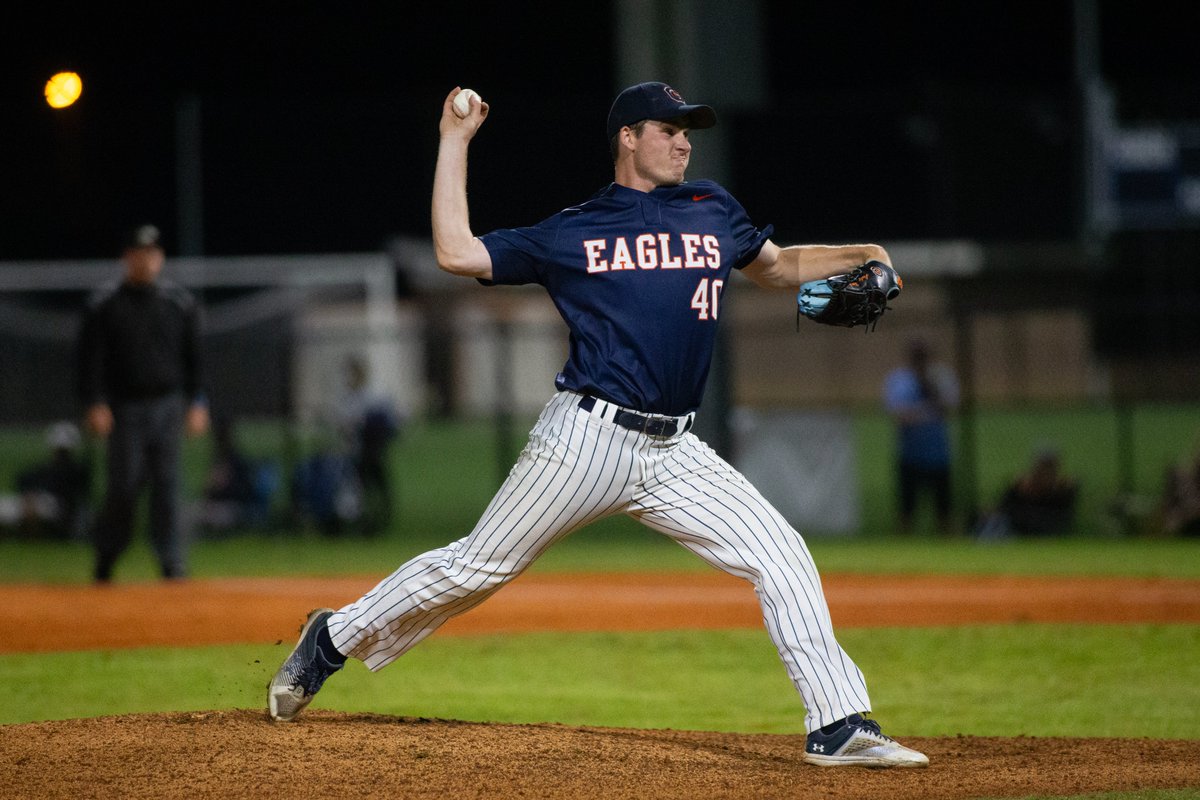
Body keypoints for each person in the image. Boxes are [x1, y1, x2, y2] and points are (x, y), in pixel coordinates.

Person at [268, 82, 928, 768]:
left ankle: (837, 723)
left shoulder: (712, 208)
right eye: (668, 129)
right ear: (628, 138)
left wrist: (866, 250)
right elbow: (456, 252)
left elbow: (780, 267)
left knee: (781, 554)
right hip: (585, 441)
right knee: (473, 571)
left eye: (687, 130)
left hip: (675, 450)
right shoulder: (575, 229)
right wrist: (454, 141)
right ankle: (331, 639)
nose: (683, 142)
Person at [77, 224, 209, 582]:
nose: (146, 260)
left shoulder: (178, 303)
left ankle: (171, 561)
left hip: (168, 404)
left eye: (152, 253)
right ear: (126, 257)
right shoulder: (105, 304)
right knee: (124, 485)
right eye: (138, 253)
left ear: (160, 258)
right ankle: (107, 556)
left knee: (168, 484)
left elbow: (195, 359)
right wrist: (94, 402)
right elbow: (90, 360)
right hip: (125, 407)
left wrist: (198, 402)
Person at [882, 338, 960, 535]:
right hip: (910, 453)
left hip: (938, 454)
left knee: (944, 510)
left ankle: (947, 541)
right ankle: (903, 545)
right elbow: (899, 415)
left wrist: (929, 392)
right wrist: (927, 411)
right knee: (906, 510)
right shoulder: (899, 380)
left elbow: (950, 405)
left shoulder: (941, 377)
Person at [336, 356, 402, 535]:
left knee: (376, 486)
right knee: (356, 488)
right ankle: (358, 519)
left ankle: (378, 518)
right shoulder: (347, 398)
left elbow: (391, 421)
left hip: (372, 451)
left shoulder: (374, 396)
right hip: (354, 452)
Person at [2, 421, 92, 540]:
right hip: (35, 501)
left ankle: (30, 536)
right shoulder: (46, 468)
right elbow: (23, 479)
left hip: (57, 508)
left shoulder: (76, 471)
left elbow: (70, 498)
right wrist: (30, 496)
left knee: (33, 507)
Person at [975, 447, 1078, 539]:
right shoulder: (1021, 486)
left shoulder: (1063, 489)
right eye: (1042, 466)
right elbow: (1004, 507)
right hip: (1015, 526)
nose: (1044, 471)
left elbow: (1061, 515)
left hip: (1043, 528)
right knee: (994, 521)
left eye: (1049, 467)